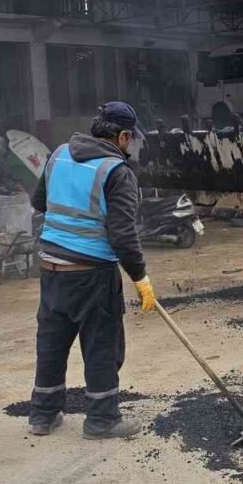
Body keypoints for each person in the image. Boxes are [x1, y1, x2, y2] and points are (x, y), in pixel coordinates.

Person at [27, 102, 156, 440]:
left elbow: (39, 202)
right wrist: (140, 278)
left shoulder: (58, 156)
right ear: (123, 136)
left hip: (51, 270)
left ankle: (42, 415)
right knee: (102, 346)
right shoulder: (117, 172)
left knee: (51, 343)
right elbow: (123, 235)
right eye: (131, 138)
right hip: (92, 274)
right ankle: (102, 420)